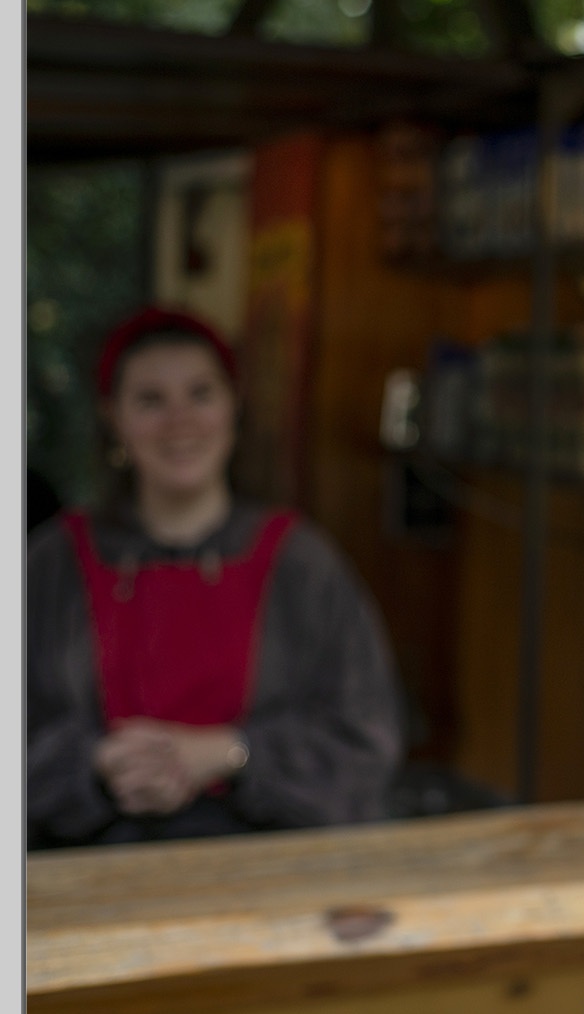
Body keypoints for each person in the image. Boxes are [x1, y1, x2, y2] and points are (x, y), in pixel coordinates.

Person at [27, 305, 405, 848]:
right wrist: (98, 764)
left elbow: (366, 744)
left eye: (201, 394)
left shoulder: (302, 563)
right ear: (113, 418)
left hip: (267, 872)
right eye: (151, 400)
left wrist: (228, 753)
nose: (179, 420)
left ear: (234, 406)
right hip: (85, 872)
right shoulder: (51, 564)